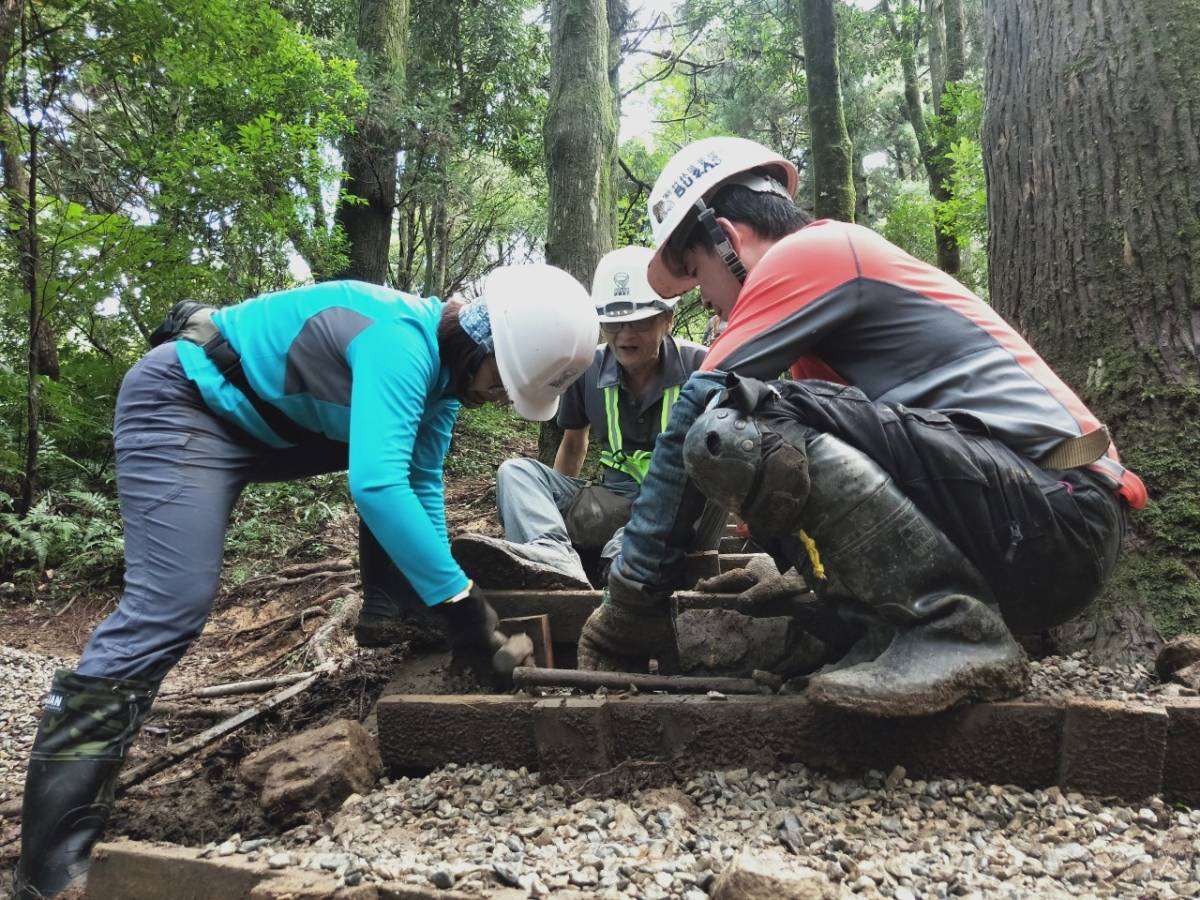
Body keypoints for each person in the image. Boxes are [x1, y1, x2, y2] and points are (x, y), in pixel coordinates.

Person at [12, 265, 598, 900]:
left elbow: (420, 484)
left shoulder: (441, 382)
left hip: (265, 426)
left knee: (397, 474)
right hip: (182, 403)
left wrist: (449, 601)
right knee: (170, 605)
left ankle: (392, 608)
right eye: (500, 383)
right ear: (485, 346)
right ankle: (49, 857)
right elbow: (375, 485)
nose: (495, 397)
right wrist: (465, 608)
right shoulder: (400, 339)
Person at [577, 135, 1146, 716]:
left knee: (733, 423)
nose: (711, 306)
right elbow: (867, 471)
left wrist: (630, 601)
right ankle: (898, 627)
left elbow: (699, 415)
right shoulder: (819, 321)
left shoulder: (812, 254)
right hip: (1033, 523)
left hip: (1063, 513)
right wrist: (805, 574)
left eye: (697, 275)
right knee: (766, 413)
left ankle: (950, 629)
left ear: (727, 238)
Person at [452, 246, 725, 590]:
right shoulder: (588, 369)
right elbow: (573, 445)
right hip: (611, 502)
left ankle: (621, 565)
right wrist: (553, 510)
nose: (625, 334)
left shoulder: (701, 365)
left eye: (639, 321)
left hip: (677, 511)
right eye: (612, 321)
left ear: (667, 319)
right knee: (515, 472)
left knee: (658, 527)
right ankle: (553, 557)